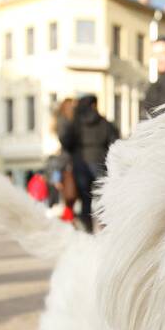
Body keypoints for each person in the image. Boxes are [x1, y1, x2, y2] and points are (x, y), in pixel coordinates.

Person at [57, 93, 119, 232]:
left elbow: (66, 141)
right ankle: (106, 228)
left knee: (86, 200)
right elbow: (114, 139)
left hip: (81, 164)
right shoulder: (103, 122)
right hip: (99, 162)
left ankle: (88, 230)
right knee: (103, 197)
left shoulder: (75, 124)